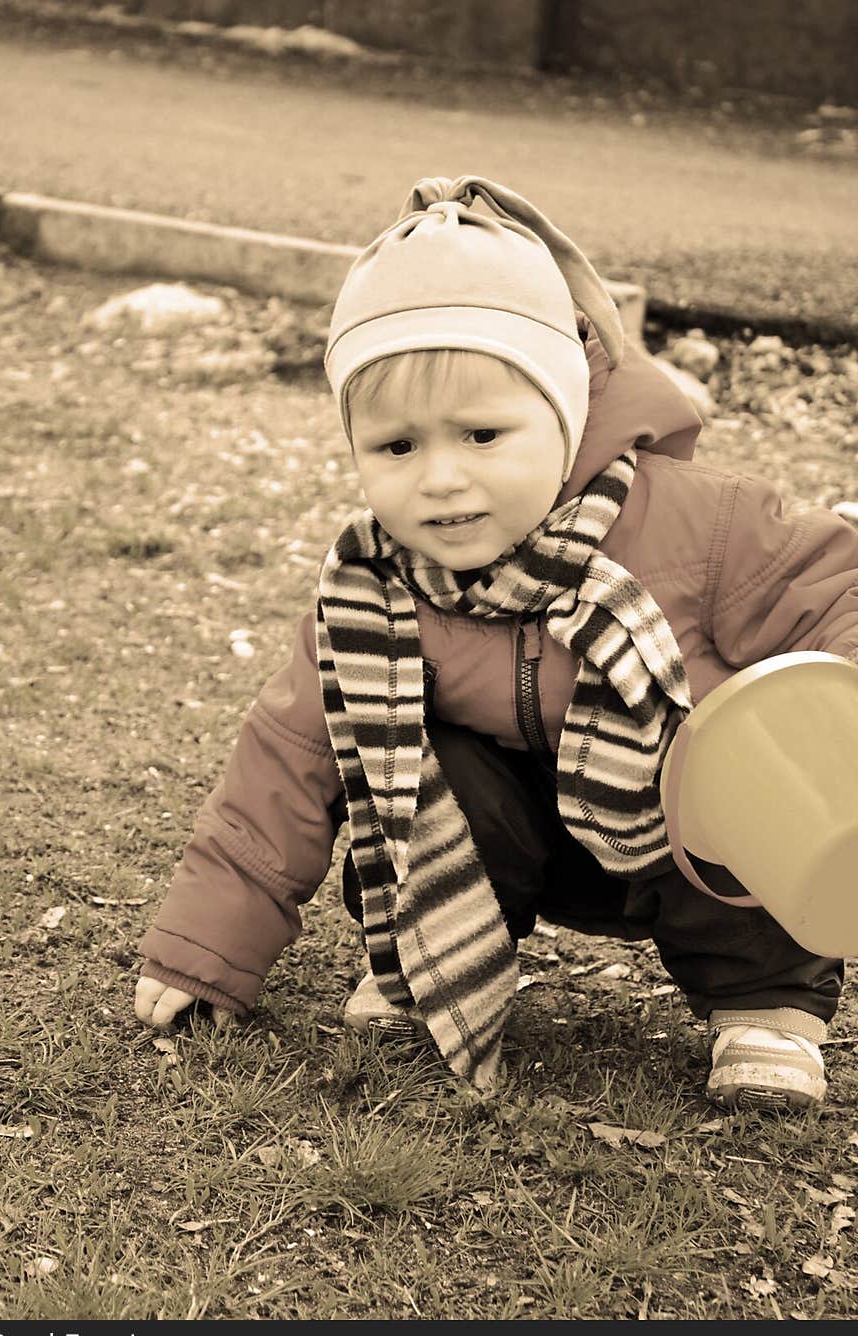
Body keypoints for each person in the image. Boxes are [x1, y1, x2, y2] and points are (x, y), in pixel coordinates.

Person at [134, 175, 858, 1110]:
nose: (440, 480)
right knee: (407, 764)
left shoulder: (696, 524)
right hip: (522, 837)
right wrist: (207, 947)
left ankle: (767, 1003)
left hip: (683, 838)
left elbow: (838, 592)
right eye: (397, 447)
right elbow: (285, 761)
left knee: (743, 765)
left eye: (483, 434)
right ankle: (433, 960)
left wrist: (830, 737)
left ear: (563, 418)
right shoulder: (372, 586)